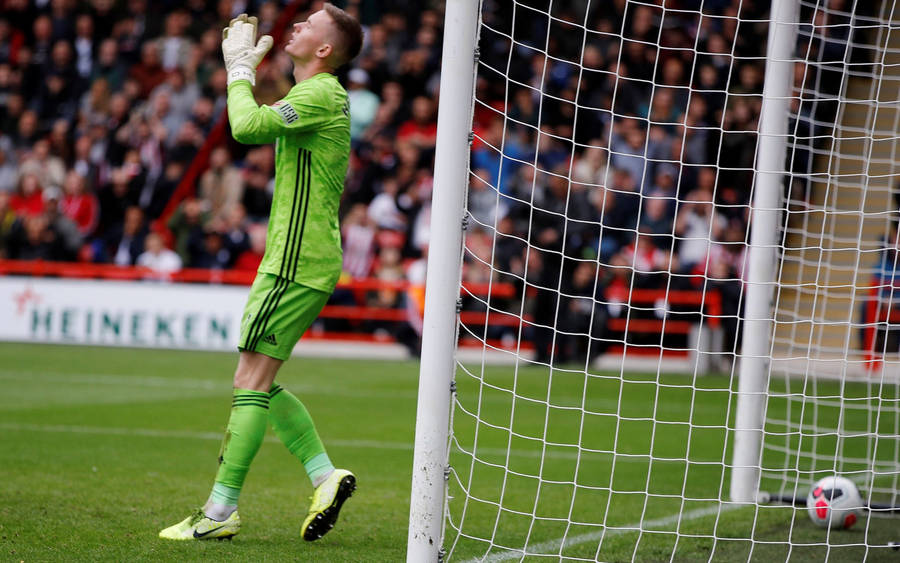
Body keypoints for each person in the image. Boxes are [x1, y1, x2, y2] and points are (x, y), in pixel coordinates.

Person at [159, 6, 363, 542]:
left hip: (297, 260)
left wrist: (239, 72)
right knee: (257, 381)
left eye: (309, 24)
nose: (294, 26)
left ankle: (219, 512)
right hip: (299, 258)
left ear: (324, 50)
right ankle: (325, 476)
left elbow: (245, 125)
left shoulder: (321, 94)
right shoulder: (314, 96)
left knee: (249, 382)